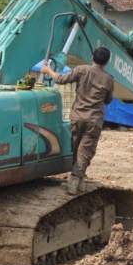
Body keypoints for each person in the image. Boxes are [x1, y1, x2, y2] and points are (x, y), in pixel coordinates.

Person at [41, 46, 114, 194]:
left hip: (77, 117)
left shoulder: (81, 70)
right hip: (94, 119)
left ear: (92, 57)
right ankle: (75, 180)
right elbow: (108, 100)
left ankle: (78, 179)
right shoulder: (108, 79)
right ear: (107, 61)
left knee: (75, 148)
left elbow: (61, 79)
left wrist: (48, 71)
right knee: (85, 150)